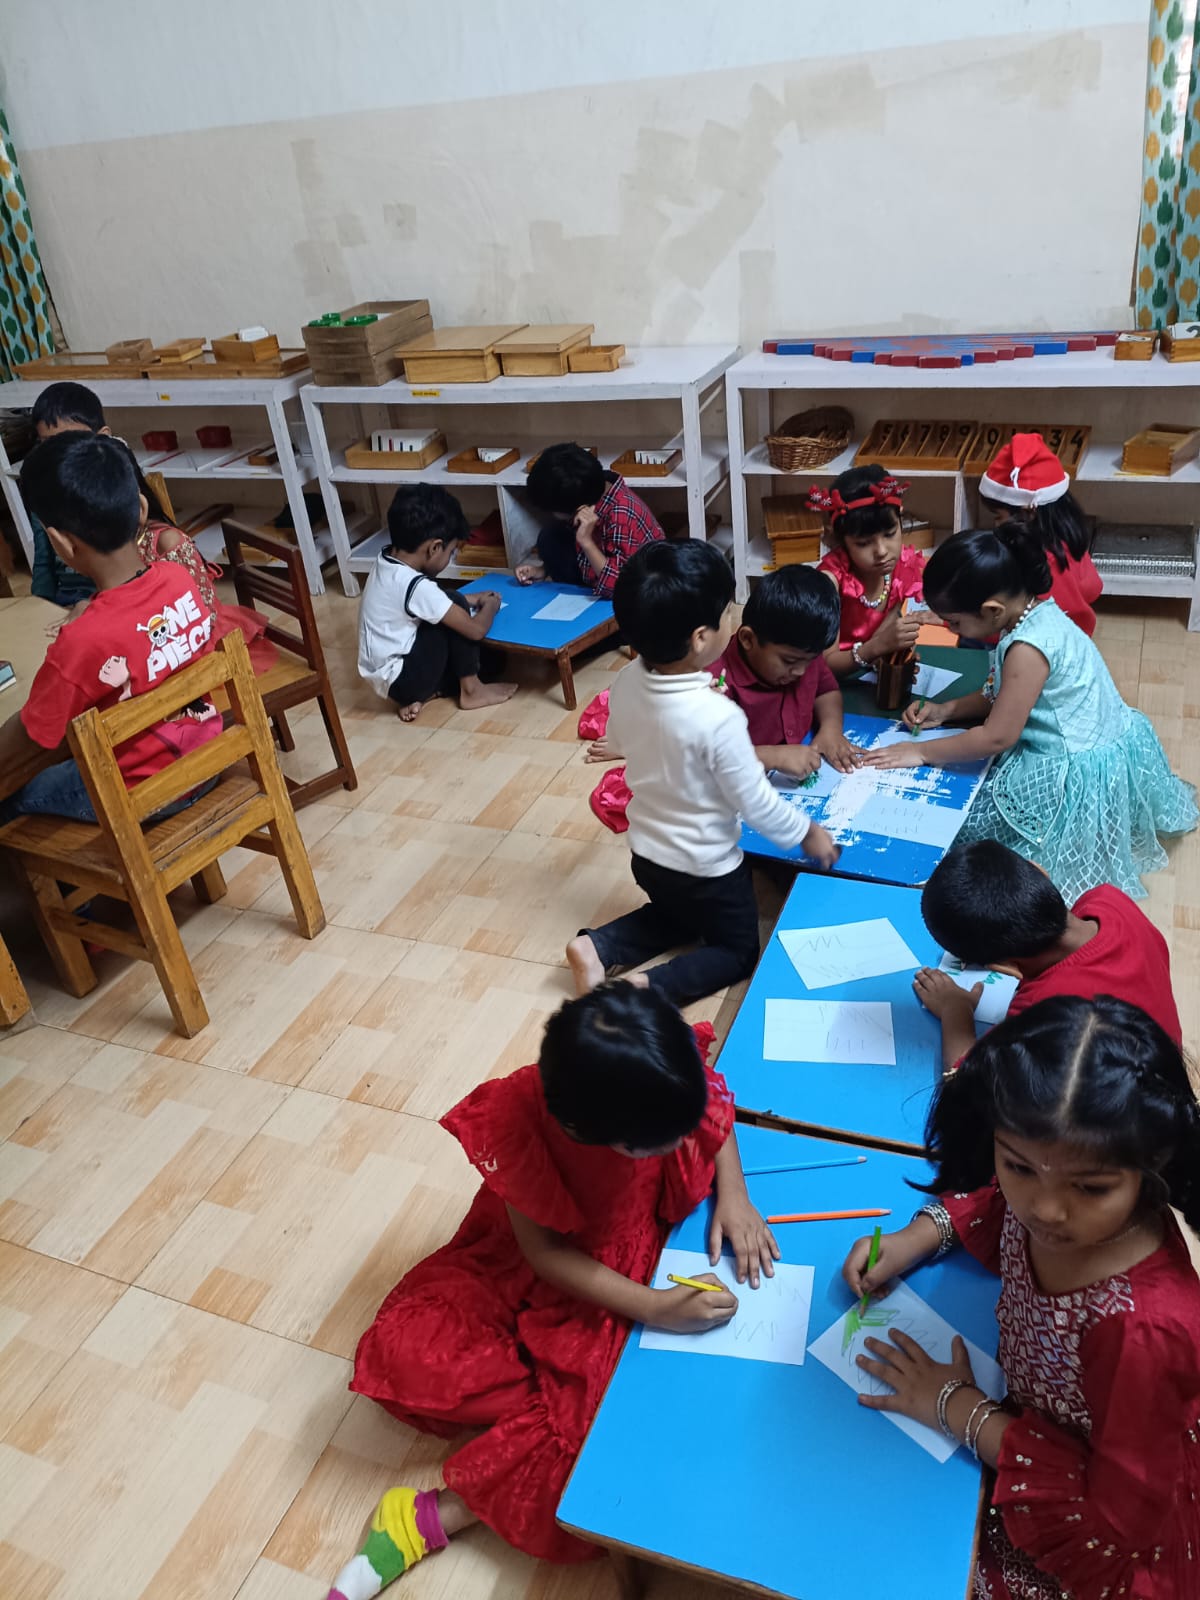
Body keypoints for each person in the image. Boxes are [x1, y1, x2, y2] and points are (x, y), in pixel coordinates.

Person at [328, 984, 776, 1595]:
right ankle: (533, 1414)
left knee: (591, 1445)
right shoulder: (524, 1119)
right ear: (584, 1129)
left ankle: (439, 1514)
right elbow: (545, 1254)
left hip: (624, 1245)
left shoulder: (660, 1068)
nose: (685, 1142)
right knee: (411, 1356)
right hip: (555, 1259)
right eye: (658, 1143)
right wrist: (653, 1308)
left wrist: (736, 1195)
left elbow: (710, 1109)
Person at [841, 995, 1200, 1600]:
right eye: (1019, 1167)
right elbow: (997, 1199)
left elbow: (1114, 1520)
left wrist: (960, 1408)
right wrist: (917, 1237)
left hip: (1104, 1504)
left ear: (1152, 1165)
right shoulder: (1050, 1178)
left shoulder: (1144, 1332)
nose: (1046, 1209)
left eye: (1091, 1187)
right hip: (1038, 1418)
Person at [565, 540, 839, 1006]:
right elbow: (756, 802)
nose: (732, 620)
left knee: (677, 915)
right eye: (725, 614)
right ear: (699, 639)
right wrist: (807, 833)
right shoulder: (717, 716)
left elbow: (621, 737)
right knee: (737, 952)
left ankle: (597, 948)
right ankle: (643, 989)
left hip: (647, 853)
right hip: (707, 866)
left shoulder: (627, 680)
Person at [860, 523, 1196, 902]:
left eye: (954, 622)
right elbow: (1002, 693)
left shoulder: (1026, 648)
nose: (950, 629)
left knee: (971, 835)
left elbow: (997, 737)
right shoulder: (1034, 614)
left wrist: (921, 752)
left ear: (992, 610)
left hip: (1072, 771)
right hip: (1103, 742)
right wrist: (947, 709)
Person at [0, 432, 221, 823]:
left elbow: (33, 735)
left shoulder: (82, 639)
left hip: (143, 791)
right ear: (141, 509)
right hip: (210, 756)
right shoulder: (178, 579)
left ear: (60, 544)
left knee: (16, 794)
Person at [914, 839, 1181, 1070]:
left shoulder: (1041, 1010)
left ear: (1006, 965)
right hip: (1167, 1072)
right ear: (1039, 869)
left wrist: (955, 1009)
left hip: (1121, 1106)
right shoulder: (1109, 900)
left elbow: (963, 1077)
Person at [357, 484, 516, 722]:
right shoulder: (416, 586)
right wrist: (490, 606)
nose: (450, 557)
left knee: (493, 662)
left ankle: (427, 694)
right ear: (434, 548)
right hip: (405, 678)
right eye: (451, 552)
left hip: (392, 680)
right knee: (455, 602)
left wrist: (472, 598)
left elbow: (420, 602)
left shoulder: (387, 561)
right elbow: (475, 631)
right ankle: (472, 691)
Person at [27, 381, 168, 609]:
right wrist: (40, 605)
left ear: (102, 437)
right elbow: (43, 564)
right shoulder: (45, 496)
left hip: (112, 599)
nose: (58, 457)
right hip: (64, 603)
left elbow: (127, 569)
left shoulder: (112, 493)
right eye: (47, 445)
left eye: (71, 442)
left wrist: (88, 607)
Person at [716, 562, 861, 778]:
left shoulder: (803, 653)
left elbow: (826, 691)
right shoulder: (716, 683)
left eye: (810, 661)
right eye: (788, 661)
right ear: (748, 639)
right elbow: (704, 757)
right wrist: (771, 757)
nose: (801, 671)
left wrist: (830, 729)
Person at [979, 432, 1102, 637]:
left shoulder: (1039, 562)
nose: (996, 525)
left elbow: (1010, 622)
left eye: (998, 517)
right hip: (1072, 635)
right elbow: (1094, 587)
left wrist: (955, 622)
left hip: (1044, 644)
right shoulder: (1067, 537)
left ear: (1029, 512)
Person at [809, 464, 927, 678]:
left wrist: (891, 658)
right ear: (841, 541)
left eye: (890, 534)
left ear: (900, 519)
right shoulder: (830, 582)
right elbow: (824, 665)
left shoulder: (901, 567)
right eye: (863, 543)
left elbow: (881, 637)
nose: (881, 551)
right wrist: (877, 648)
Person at [515, 442, 664, 598]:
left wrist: (586, 541)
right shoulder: (592, 486)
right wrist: (543, 570)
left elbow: (620, 587)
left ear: (580, 507)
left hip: (635, 586)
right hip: (601, 561)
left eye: (554, 511)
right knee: (551, 536)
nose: (552, 514)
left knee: (555, 536)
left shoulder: (622, 515)